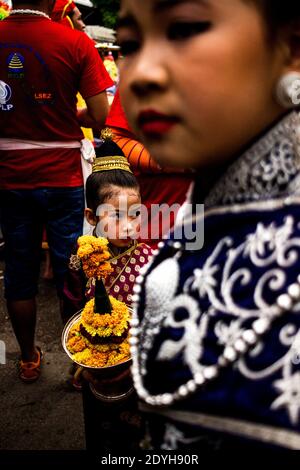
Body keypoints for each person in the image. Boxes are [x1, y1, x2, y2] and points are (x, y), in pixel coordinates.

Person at [117, 0, 300, 450]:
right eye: (128, 44)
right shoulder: (212, 193)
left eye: (184, 28)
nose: (142, 73)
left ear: (292, 48)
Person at [0, 0, 113, 383]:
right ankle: (80, 361)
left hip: (9, 177)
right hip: (62, 175)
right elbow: (100, 116)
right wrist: (70, 115)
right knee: (74, 268)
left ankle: (28, 357)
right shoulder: (74, 42)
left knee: (19, 271)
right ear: (51, 1)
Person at [63, 130, 153, 452]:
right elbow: (72, 313)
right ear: (91, 216)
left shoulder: (148, 260)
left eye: (135, 214)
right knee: (103, 437)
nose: (129, 225)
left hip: (139, 368)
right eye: (116, 215)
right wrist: (79, 361)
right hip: (96, 368)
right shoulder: (80, 263)